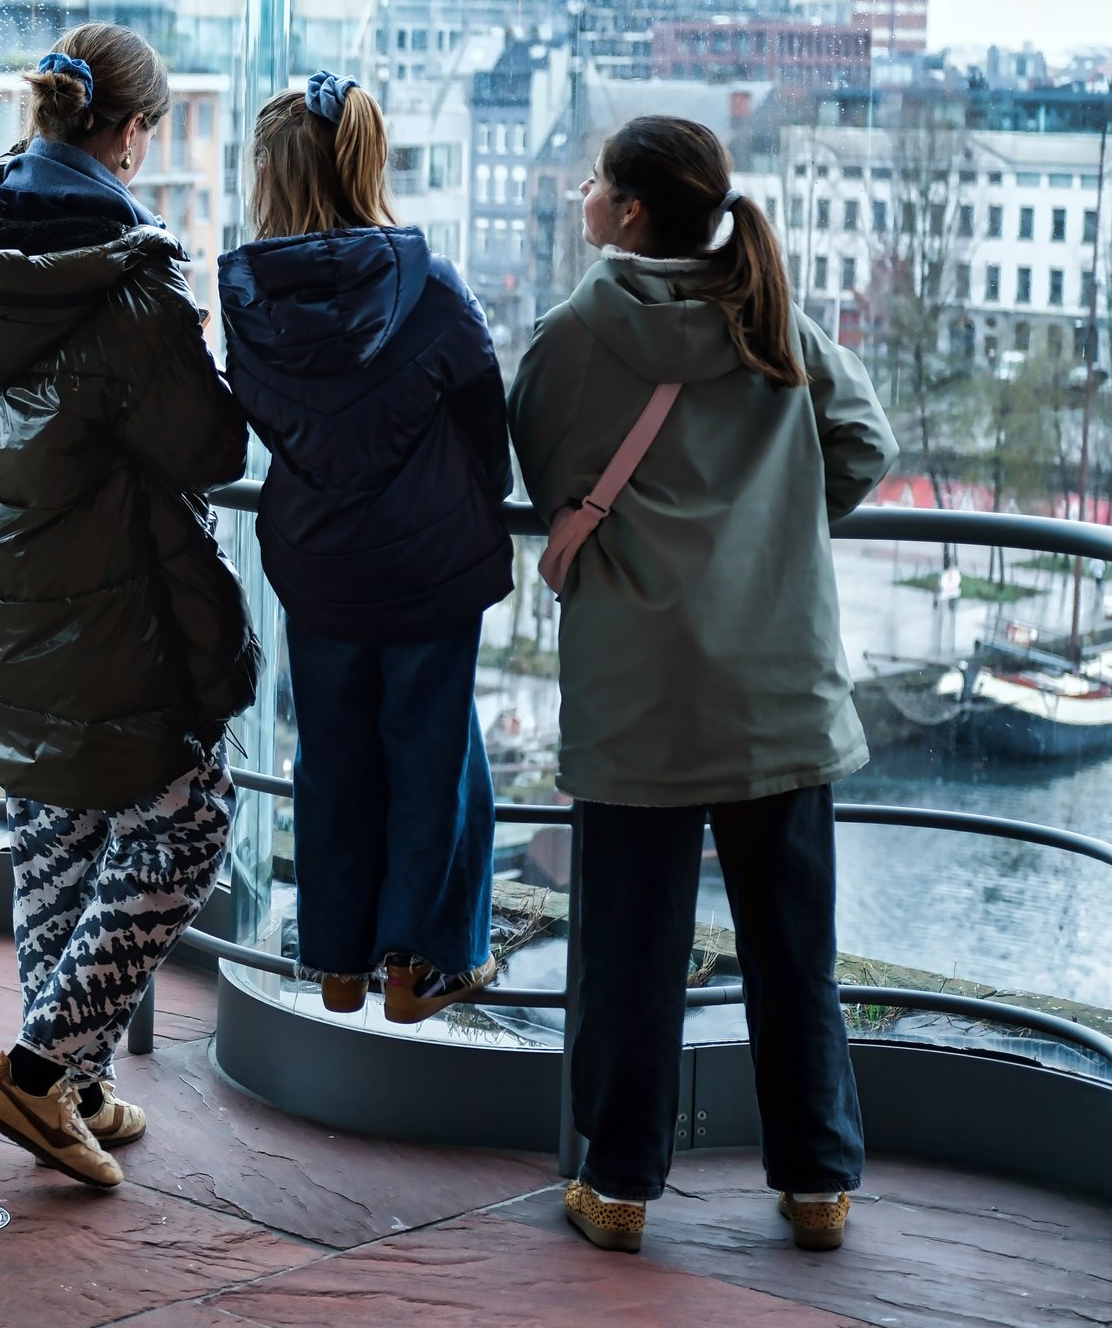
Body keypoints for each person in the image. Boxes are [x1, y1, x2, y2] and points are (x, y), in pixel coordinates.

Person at [509, 115, 895, 1256]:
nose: (582, 193)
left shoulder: (572, 338)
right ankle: (817, 1183)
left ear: (629, 211)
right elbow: (863, 442)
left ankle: (619, 1186)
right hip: (779, 688)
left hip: (639, 694)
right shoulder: (768, 314)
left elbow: (543, 476)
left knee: (631, 952)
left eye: (594, 180)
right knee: (793, 949)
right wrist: (775, 529)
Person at [0, 24, 257, 1188]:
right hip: (103, 605)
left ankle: (77, 1079)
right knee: (189, 820)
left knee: (54, 823)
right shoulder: (128, 280)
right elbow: (205, 446)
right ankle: (42, 1066)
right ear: (134, 132)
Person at [218, 72, 513, 1025]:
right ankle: (419, 966)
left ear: (270, 176)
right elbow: (486, 419)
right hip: (428, 568)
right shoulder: (430, 285)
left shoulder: (251, 297)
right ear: (368, 162)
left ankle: (336, 960)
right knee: (432, 752)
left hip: (318, 565)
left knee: (331, 757)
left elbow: (261, 418)